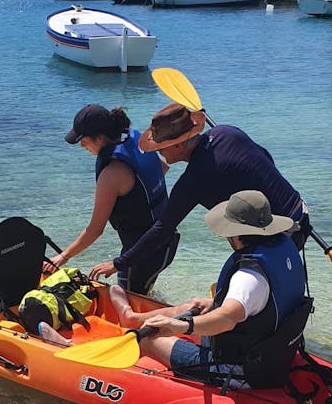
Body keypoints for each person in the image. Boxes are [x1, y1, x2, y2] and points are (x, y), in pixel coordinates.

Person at [88, 102, 308, 287]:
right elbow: (265, 157)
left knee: (247, 295)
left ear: (180, 143)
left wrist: (119, 263)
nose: (157, 151)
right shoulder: (226, 131)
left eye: (162, 146)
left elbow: (163, 229)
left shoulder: (195, 178)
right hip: (300, 211)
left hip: (281, 231)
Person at [106, 190, 308, 388]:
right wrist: (214, 304)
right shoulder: (283, 249)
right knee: (191, 307)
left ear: (235, 234)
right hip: (269, 349)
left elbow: (228, 319)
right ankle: (130, 317)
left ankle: (134, 332)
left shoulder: (248, 277)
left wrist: (185, 327)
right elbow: (264, 303)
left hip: (239, 368)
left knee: (146, 338)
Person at [50, 104, 179, 295]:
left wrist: (63, 256)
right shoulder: (138, 142)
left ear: (99, 138)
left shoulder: (111, 174)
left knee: (127, 302)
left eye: (83, 140)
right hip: (167, 241)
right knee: (144, 293)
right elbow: (162, 167)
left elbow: (95, 230)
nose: (81, 145)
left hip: (142, 255)